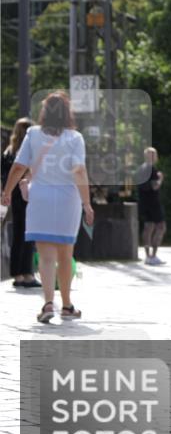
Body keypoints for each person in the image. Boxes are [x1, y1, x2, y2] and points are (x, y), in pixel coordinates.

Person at [2, 91, 94, 323]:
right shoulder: (75, 138)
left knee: (44, 256)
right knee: (65, 255)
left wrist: (7, 192)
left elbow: (18, 166)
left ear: (44, 112)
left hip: (40, 199)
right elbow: (79, 171)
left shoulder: (33, 134)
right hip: (67, 200)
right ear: (67, 113)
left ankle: (47, 303)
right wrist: (87, 203)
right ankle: (67, 305)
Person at [2, 118, 39, 288]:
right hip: (28, 194)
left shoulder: (8, 152)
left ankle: (17, 274)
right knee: (29, 234)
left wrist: (6, 192)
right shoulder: (29, 152)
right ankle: (28, 273)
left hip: (13, 196)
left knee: (18, 234)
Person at [136, 147, 167, 265]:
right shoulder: (151, 169)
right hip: (153, 203)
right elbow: (155, 186)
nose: (154, 157)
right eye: (153, 155)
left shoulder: (141, 168)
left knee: (148, 228)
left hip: (144, 202)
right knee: (161, 227)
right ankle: (153, 256)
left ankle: (147, 256)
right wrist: (160, 179)